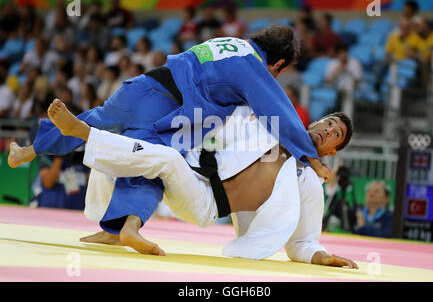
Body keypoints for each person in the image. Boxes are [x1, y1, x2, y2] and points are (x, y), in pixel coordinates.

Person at [8, 25, 331, 242]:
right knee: (151, 161)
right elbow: (280, 113)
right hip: (167, 109)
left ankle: (30, 149)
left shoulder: (229, 44)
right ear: (278, 63)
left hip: (143, 85)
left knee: (102, 117)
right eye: (279, 71)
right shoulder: (254, 66)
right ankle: (128, 226)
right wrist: (313, 158)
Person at [45, 98, 356, 269]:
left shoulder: (307, 181)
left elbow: (302, 243)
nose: (328, 131)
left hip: (207, 203)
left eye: (336, 135)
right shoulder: (270, 126)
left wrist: (322, 257)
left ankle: (85, 134)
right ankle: (112, 229)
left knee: (164, 159)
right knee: (129, 150)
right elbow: (221, 128)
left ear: (331, 151)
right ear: (314, 122)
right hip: (195, 170)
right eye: (328, 123)